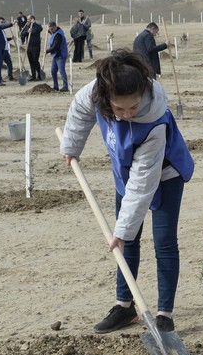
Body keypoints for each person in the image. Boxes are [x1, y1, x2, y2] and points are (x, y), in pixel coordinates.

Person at [59, 49, 195, 334]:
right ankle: (124, 307)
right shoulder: (95, 94)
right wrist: (71, 147)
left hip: (165, 175)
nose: (127, 114)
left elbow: (143, 182)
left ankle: (164, 315)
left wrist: (122, 229)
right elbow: (80, 111)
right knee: (126, 241)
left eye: (132, 107)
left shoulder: (153, 121)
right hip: (126, 172)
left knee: (164, 242)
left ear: (142, 93)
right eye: (119, 109)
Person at [46, 21, 69, 92]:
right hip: (55, 55)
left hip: (60, 55)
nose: (51, 31)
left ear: (55, 26)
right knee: (53, 71)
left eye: (52, 29)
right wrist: (50, 32)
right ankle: (55, 86)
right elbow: (53, 35)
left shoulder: (59, 35)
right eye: (50, 29)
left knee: (62, 71)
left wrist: (47, 51)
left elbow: (56, 46)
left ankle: (65, 87)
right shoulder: (55, 32)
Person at [21, 15, 44, 81]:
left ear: (32, 19)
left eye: (28, 19)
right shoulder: (27, 26)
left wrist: (34, 25)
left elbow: (40, 29)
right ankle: (33, 76)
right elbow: (22, 34)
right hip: (28, 46)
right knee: (31, 61)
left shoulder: (37, 26)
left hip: (36, 46)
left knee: (35, 60)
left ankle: (39, 76)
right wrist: (27, 31)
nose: (27, 20)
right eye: (27, 19)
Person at [0, 17, 15, 81]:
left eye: (3, 22)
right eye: (1, 22)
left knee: (9, 63)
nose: (3, 24)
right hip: (1, 50)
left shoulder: (3, 30)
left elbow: (4, 39)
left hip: (6, 50)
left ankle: (10, 76)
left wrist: (11, 38)